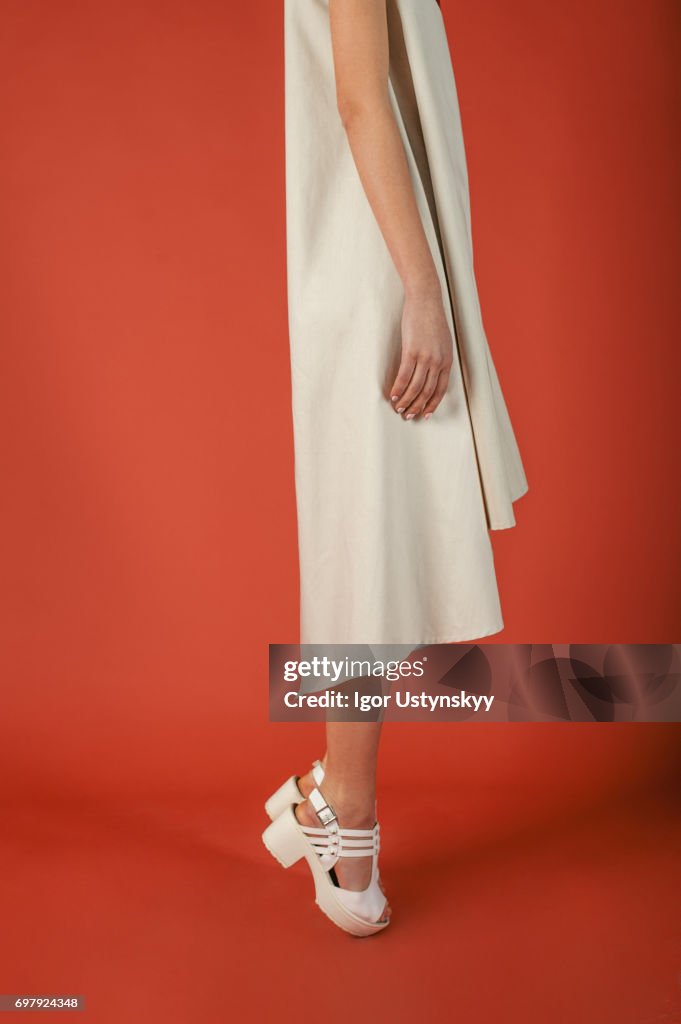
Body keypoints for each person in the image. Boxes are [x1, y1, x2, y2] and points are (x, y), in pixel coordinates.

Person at [262, 0, 528, 936]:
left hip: (381, 254)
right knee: (362, 559)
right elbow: (360, 101)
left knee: (373, 559)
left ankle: (337, 797)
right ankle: (346, 814)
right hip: (376, 266)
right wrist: (422, 289)